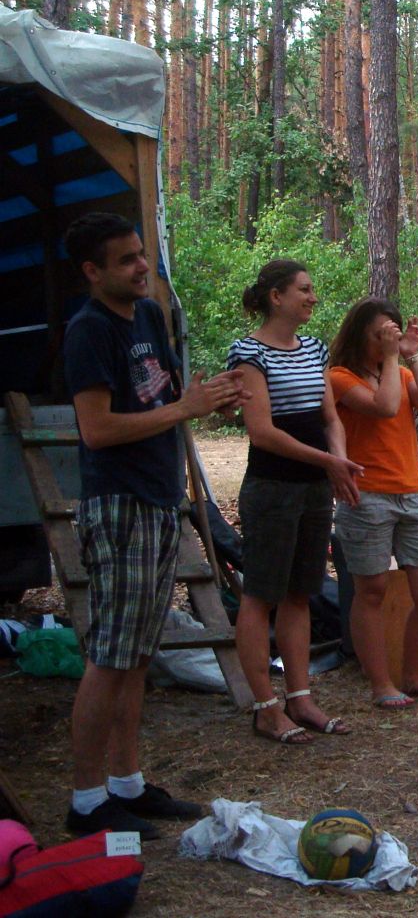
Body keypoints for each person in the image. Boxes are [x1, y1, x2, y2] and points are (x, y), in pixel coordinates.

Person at [62, 212, 246, 838]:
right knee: (110, 656)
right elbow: (96, 429)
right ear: (93, 271)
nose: (143, 267)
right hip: (119, 505)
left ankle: (127, 784)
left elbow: (166, 400)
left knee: (138, 654)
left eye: (141, 254)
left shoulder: (147, 316)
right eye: (126, 260)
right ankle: (86, 802)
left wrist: (211, 397)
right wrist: (184, 407)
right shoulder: (89, 331)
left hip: (160, 501)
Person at [229, 260, 363, 744]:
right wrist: (328, 462)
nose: (312, 297)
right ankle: (266, 707)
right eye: (304, 290)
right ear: (276, 297)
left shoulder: (314, 348)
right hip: (272, 488)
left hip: (313, 489)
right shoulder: (248, 353)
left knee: (299, 593)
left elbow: (330, 418)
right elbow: (262, 432)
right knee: (261, 594)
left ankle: (300, 698)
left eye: (312, 289)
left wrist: (338, 461)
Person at [328, 298, 418, 707]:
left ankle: (414, 675)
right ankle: (381, 684)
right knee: (372, 592)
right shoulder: (340, 377)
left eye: (393, 333)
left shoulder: (400, 371)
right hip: (367, 496)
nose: (388, 340)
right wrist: (390, 357)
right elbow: (382, 408)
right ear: (360, 334)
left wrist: (411, 357)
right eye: (381, 334)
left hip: (413, 492)